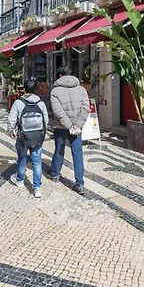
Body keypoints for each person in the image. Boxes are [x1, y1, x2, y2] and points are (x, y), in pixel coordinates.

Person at [49, 66, 90, 195]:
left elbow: (58, 111)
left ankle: (55, 174)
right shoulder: (81, 90)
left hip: (61, 126)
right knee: (77, 153)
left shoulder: (55, 91)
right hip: (77, 128)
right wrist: (77, 126)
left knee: (59, 150)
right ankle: (79, 183)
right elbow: (86, 108)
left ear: (60, 76)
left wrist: (69, 126)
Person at [7, 80, 48, 198]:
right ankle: (37, 188)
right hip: (37, 138)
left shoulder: (18, 103)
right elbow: (45, 120)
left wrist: (11, 131)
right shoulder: (41, 103)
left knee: (22, 158)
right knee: (37, 161)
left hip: (23, 136)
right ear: (35, 89)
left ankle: (20, 179)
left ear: (24, 89)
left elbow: (11, 119)